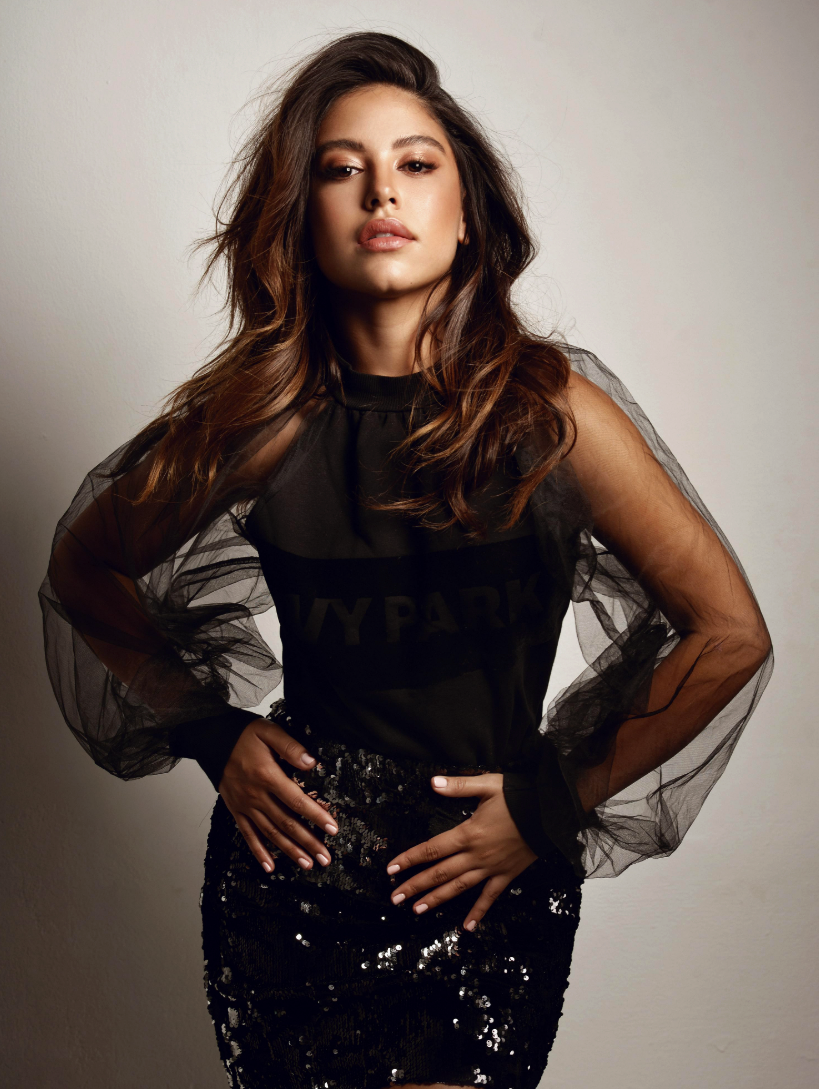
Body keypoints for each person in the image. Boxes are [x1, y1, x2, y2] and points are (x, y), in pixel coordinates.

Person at [39, 31, 774, 1089]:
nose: (381, 189)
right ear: (302, 219)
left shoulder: (552, 412)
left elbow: (729, 633)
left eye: (417, 163)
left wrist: (551, 805)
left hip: (494, 870)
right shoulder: (262, 421)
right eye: (341, 169)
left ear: (466, 212)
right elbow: (83, 570)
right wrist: (211, 730)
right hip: (300, 877)